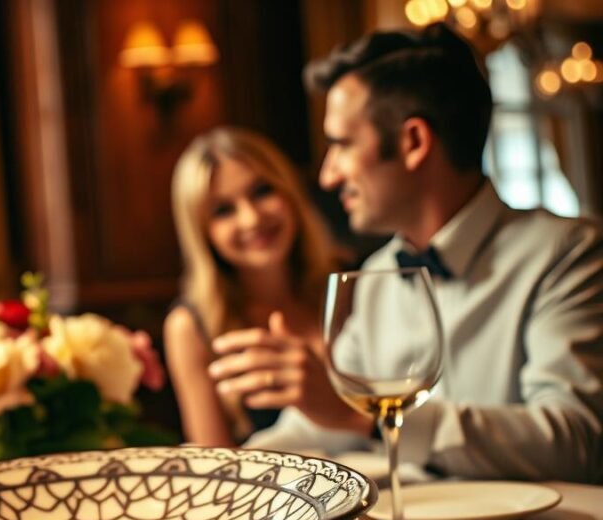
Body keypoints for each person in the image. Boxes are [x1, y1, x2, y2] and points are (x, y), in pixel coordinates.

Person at [223, 22, 603, 483]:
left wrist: (370, 414)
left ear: (413, 142)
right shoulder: (376, 274)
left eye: (341, 144)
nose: (327, 176)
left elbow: (577, 442)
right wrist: (226, 472)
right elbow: (319, 423)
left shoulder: (569, 253)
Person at [164, 127, 340, 446]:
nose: (251, 218)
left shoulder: (351, 283)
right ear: (202, 233)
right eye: (223, 210)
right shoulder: (189, 326)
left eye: (261, 191)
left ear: (290, 192)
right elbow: (215, 468)